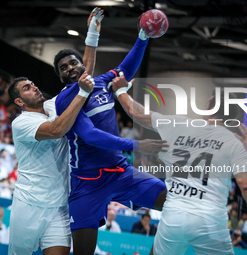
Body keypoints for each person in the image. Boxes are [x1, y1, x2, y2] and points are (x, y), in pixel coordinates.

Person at [110, 76, 247, 254]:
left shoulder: (178, 124)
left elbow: (136, 112)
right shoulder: (235, 143)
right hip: (210, 222)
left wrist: (121, 91)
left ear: (210, 106)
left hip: (174, 216)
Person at [53, 27, 167, 255]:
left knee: (173, 201)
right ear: (61, 76)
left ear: (83, 65)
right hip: (87, 182)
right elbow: (91, 136)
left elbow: (126, 69)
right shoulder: (65, 99)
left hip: (120, 172)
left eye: (73, 63)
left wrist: (143, 38)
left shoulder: (102, 82)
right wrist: (135, 145)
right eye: (63, 68)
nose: (70, 69)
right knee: (83, 252)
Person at [7, 8, 103, 255]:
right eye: (27, 88)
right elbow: (57, 130)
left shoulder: (54, 105)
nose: (35, 87)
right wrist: (81, 94)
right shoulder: (22, 123)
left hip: (60, 207)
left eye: (33, 84)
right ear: (19, 101)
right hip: (29, 205)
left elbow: (85, 77)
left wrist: (92, 34)